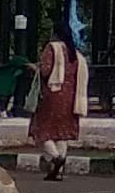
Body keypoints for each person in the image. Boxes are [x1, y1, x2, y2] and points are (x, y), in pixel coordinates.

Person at [27, 20, 82, 180]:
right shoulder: (74, 52)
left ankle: (55, 158)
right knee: (61, 133)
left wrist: (34, 68)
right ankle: (58, 172)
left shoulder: (52, 48)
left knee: (41, 130)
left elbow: (45, 71)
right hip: (70, 97)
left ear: (55, 33)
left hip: (51, 96)